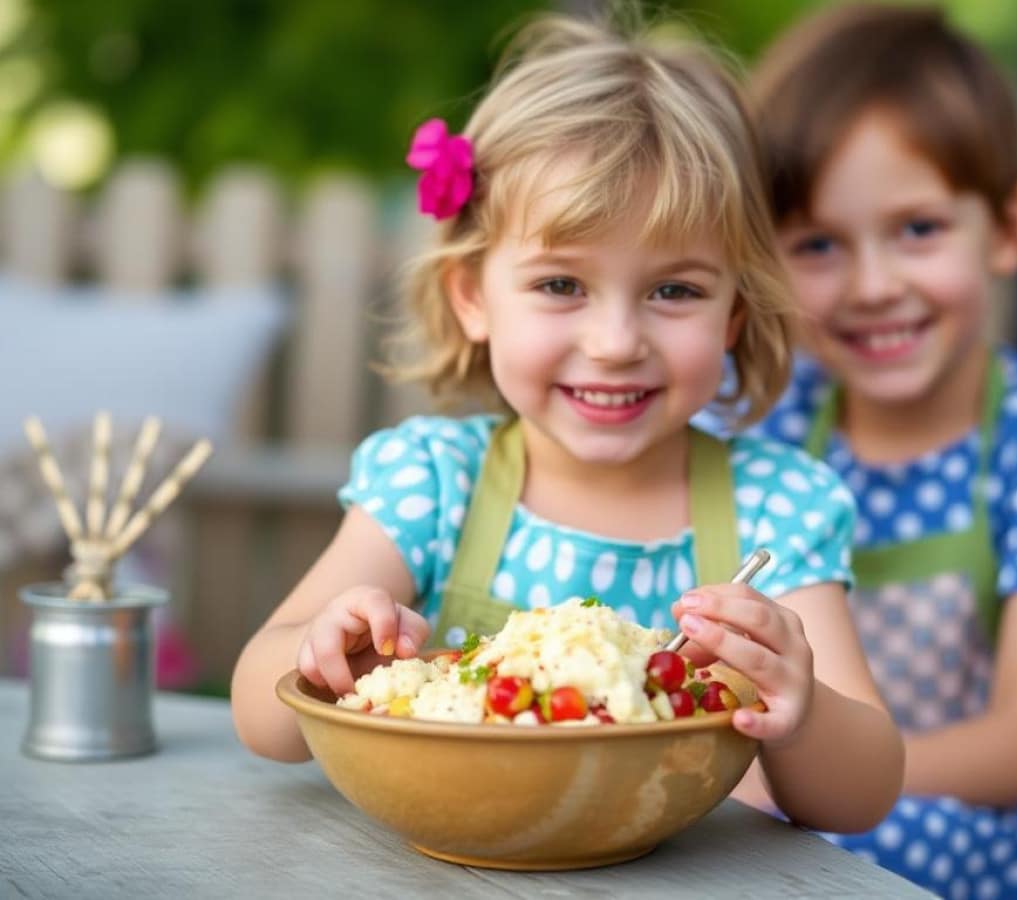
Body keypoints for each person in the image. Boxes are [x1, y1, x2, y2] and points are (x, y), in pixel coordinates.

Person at [230, 11, 904, 833]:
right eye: (560, 286)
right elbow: (259, 715)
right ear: (473, 296)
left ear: (734, 312)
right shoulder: (437, 482)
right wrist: (326, 656)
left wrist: (805, 709)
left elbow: (864, 793)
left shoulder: (776, 507)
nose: (616, 343)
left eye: (675, 291)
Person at [705, 3, 1017, 895]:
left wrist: (806, 781)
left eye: (917, 229)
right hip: (812, 857)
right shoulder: (764, 418)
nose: (874, 286)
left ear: (1008, 225)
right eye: (819, 245)